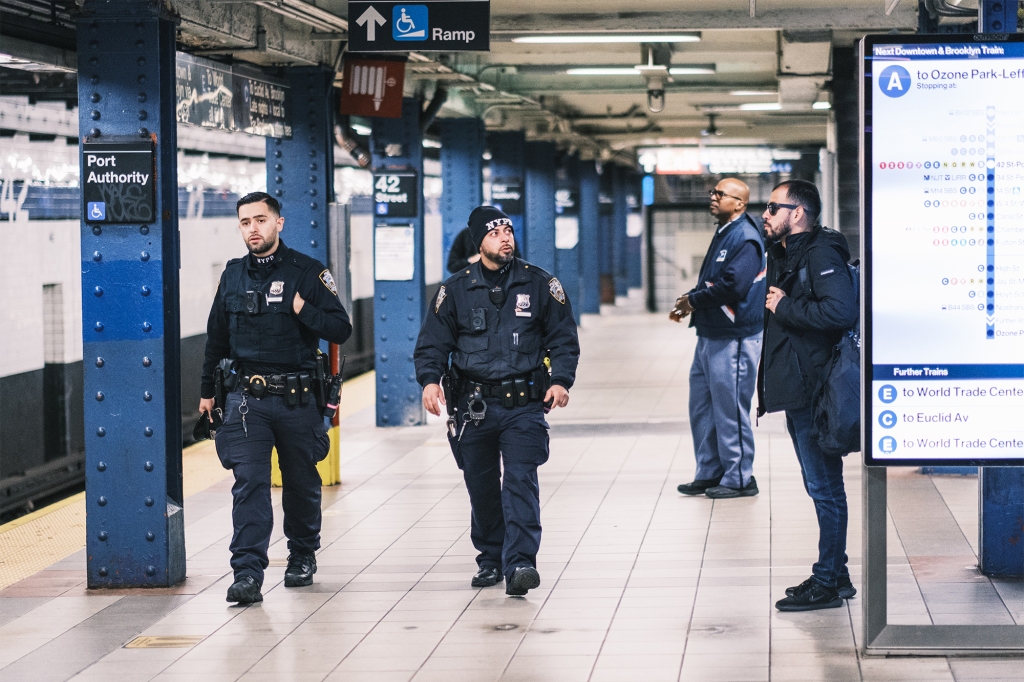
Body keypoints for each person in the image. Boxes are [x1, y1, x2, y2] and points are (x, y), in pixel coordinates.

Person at [415, 206, 580, 597]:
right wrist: (429, 382)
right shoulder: (453, 290)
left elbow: (563, 338)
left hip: (525, 403)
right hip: (473, 407)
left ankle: (521, 562)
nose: (505, 237)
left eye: (507, 230)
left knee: (521, 481)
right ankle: (491, 558)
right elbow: (433, 343)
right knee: (482, 485)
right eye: (494, 233)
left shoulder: (540, 284)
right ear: (479, 242)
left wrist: (560, 380)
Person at [199, 191, 353, 605]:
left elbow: (341, 329)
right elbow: (216, 339)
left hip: (297, 400)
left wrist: (303, 310)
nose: (254, 228)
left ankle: (302, 553)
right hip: (246, 400)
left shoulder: (308, 272)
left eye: (261, 220)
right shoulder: (232, 275)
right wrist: (207, 394)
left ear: (278, 223)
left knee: (301, 481)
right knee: (249, 483)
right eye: (246, 222)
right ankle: (247, 572)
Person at [757, 179, 858, 611]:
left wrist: (784, 307)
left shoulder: (819, 252)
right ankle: (837, 572)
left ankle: (828, 581)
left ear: (797, 213)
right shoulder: (786, 253)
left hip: (815, 388)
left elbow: (840, 311)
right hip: (797, 387)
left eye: (773, 206)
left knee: (824, 487)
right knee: (818, 485)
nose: (765, 213)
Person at [672, 179, 766, 499]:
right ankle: (710, 469)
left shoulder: (747, 238)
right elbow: (714, 281)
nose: (712, 197)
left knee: (729, 408)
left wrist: (694, 301)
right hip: (710, 334)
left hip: (734, 337)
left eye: (720, 194)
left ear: (739, 203)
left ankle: (739, 476)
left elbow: (733, 287)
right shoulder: (726, 231)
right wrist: (690, 302)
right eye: (713, 192)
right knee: (702, 406)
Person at [447, 223, 520, 273]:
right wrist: (470, 261)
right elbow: (452, 265)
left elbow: (517, 261)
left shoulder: (505, 236)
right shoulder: (466, 234)